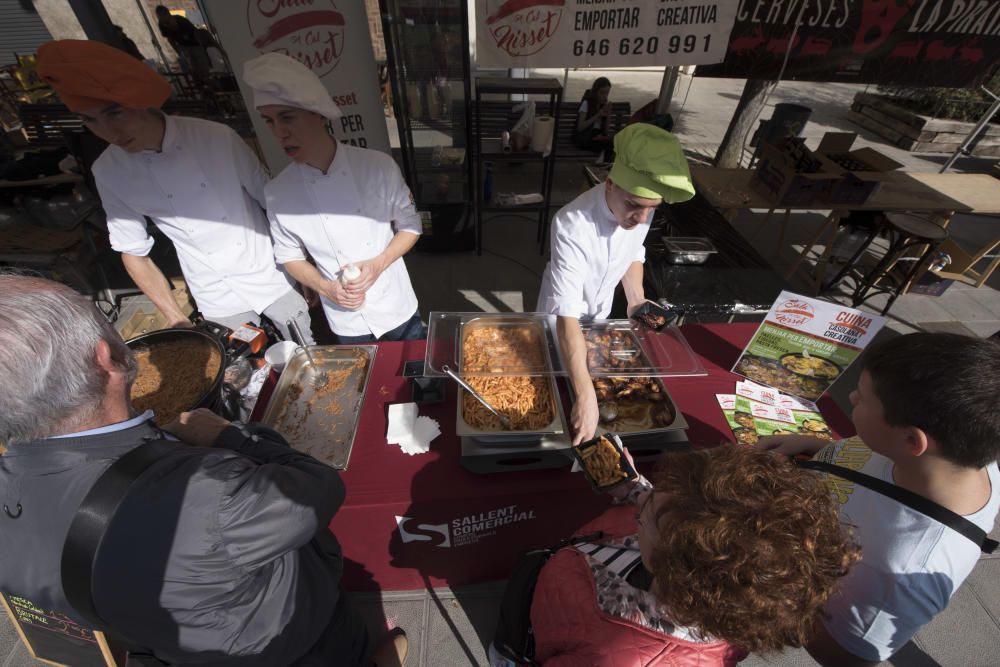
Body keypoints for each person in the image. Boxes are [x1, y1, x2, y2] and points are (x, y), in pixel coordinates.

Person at [0, 272, 406, 666]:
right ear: (105, 357)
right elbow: (318, 488)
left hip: (174, 645)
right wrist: (227, 436)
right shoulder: (205, 489)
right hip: (289, 640)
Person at [36, 40, 314, 343]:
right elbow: (134, 253)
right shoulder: (108, 171)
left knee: (305, 349)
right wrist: (176, 316)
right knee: (247, 370)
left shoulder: (215, 138)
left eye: (115, 113)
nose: (108, 132)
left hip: (270, 273)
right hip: (214, 292)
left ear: (141, 101)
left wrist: (303, 263)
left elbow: (270, 202)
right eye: (91, 120)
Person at [757, 332, 1000, 665]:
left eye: (863, 398)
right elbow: (870, 456)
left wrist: (766, 588)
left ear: (912, 441)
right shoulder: (964, 447)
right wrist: (819, 448)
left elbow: (843, 654)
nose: (852, 396)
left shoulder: (896, 576)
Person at [523, 446, 860, 666]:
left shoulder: (616, 659)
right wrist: (633, 488)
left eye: (646, 516)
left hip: (541, 634)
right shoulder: (718, 583)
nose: (641, 504)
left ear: (676, 570)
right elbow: (673, 511)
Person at [243, 52, 424, 344]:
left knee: (419, 378)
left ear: (316, 112)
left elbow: (410, 225)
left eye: (287, 117)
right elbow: (288, 256)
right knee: (366, 385)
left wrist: (379, 263)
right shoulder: (278, 192)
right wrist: (326, 288)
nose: (279, 132)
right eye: (269, 121)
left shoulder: (377, 167)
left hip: (396, 305)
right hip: (345, 318)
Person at [537, 123, 695, 444]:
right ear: (609, 183)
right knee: (560, 387)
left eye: (651, 208)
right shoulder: (571, 224)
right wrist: (586, 397)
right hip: (560, 322)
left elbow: (633, 252)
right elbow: (567, 317)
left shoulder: (642, 209)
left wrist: (636, 298)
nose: (640, 218)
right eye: (634, 205)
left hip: (600, 318)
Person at [154, 5, 210, 82]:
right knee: (192, 68)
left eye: (161, 16)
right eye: (159, 17)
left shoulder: (182, 21)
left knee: (202, 65)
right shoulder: (162, 24)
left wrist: (203, 48)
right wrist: (179, 52)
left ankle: (207, 80)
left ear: (168, 14)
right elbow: (170, 39)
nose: (161, 19)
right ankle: (199, 82)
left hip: (195, 44)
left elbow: (196, 34)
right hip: (183, 46)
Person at [573, 77, 613, 157]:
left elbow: (606, 130)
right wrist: (598, 115)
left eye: (607, 93)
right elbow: (580, 127)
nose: (605, 96)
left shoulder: (603, 105)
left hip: (598, 137)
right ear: (595, 92)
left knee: (614, 144)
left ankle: (602, 166)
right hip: (585, 139)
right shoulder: (586, 103)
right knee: (609, 146)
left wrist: (608, 114)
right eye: (602, 93)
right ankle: (603, 167)